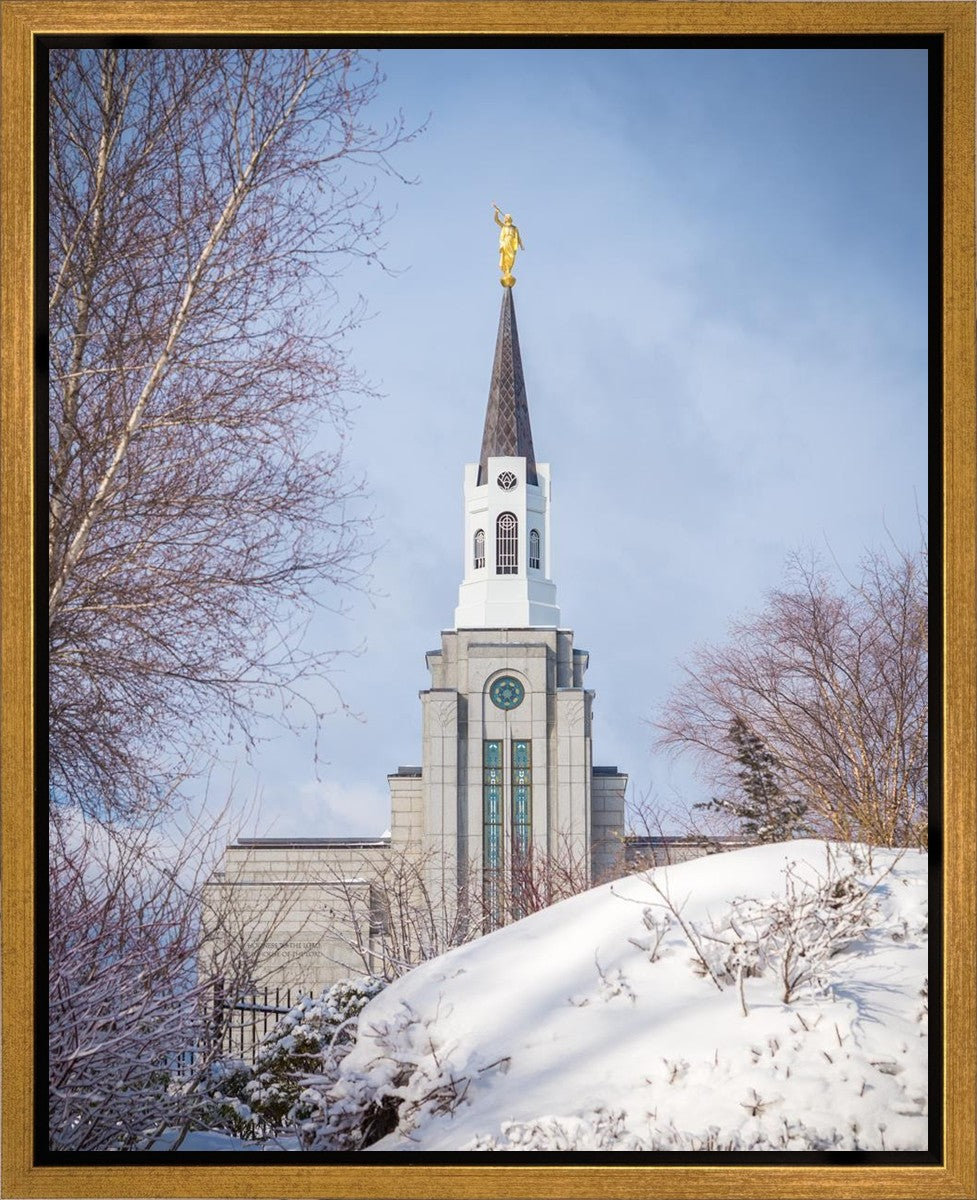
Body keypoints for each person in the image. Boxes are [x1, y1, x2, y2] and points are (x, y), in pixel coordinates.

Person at [493, 205, 524, 277]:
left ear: (509, 219)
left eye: (507, 217)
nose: (505, 219)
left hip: (512, 244)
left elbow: (518, 237)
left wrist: (521, 245)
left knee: (512, 257)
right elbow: (496, 220)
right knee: (505, 257)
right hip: (505, 242)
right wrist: (496, 212)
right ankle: (507, 271)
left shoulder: (514, 228)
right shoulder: (504, 226)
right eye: (505, 218)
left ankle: (509, 270)